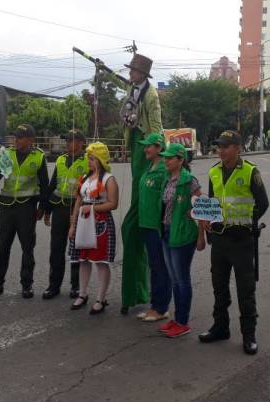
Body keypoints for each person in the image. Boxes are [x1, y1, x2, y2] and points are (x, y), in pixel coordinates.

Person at [199, 130, 269, 355]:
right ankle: (220, 327)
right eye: (219, 146)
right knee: (219, 287)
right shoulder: (214, 172)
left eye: (225, 146)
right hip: (219, 239)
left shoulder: (250, 171)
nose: (220, 150)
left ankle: (249, 335)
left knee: (245, 290)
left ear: (237, 147)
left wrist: (247, 222)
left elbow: (263, 203)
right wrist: (209, 218)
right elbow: (211, 200)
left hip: (241, 240)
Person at [110, 53, 163, 315]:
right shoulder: (132, 88)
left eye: (133, 70)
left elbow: (156, 125)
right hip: (135, 143)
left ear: (142, 73)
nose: (130, 74)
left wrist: (155, 149)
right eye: (129, 70)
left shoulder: (151, 95)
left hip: (146, 142)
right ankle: (135, 293)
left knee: (138, 221)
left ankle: (150, 297)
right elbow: (121, 91)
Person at [0, 124, 50, 300]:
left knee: (28, 248)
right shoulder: (7, 155)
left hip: (27, 208)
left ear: (30, 140)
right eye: (15, 137)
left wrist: (42, 208)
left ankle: (27, 285)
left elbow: (44, 185)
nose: (16, 140)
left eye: (19, 137)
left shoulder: (39, 157)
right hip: (6, 207)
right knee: (2, 246)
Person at [155, 143, 205, 338]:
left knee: (182, 280)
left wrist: (201, 236)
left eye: (169, 158)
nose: (166, 160)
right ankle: (176, 319)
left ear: (180, 160)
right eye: (165, 157)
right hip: (167, 232)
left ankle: (183, 322)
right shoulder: (168, 179)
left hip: (183, 235)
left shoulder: (189, 181)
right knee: (174, 279)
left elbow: (201, 210)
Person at [68, 142, 119, 314]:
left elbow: (113, 204)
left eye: (92, 158)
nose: (88, 161)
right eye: (88, 158)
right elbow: (78, 201)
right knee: (83, 260)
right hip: (83, 222)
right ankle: (82, 294)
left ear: (101, 160)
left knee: (101, 262)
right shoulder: (84, 177)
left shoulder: (108, 179)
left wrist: (92, 208)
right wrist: (73, 225)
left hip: (100, 223)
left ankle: (100, 298)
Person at [42, 129, 88, 300]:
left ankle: (76, 286)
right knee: (56, 249)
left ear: (81, 143)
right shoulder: (61, 159)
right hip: (59, 209)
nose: (67, 143)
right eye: (66, 140)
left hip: (76, 210)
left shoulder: (87, 161)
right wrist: (46, 210)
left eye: (71, 140)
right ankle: (53, 285)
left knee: (76, 249)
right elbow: (53, 184)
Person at [135, 132, 171, 322]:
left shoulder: (164, 170)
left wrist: (162, 225)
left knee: (160, 267)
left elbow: (167, 201)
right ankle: (156, 305)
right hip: (146, 225)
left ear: (158, 148)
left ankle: (161, 307)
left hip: (157, 227)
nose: (145, 149)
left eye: (148, 146)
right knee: (154, 266)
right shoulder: (150, 167)